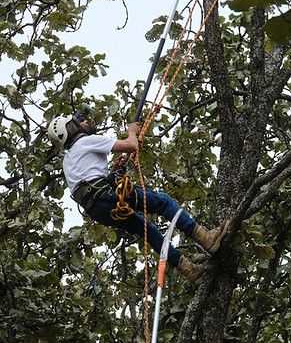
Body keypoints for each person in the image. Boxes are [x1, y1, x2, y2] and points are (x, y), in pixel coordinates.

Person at [47, 109, 228, 284]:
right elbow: (131, 145)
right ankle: (205, 238)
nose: (86, 122)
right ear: (73, 129)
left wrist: (114, 171)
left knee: (146, 229)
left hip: (97, 208)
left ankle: (189, 269)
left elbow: (89, 182)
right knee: (163, 202)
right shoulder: (86, 142)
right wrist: (131, 132)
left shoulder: (68, 161)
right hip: (106, 197)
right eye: (81, 121)